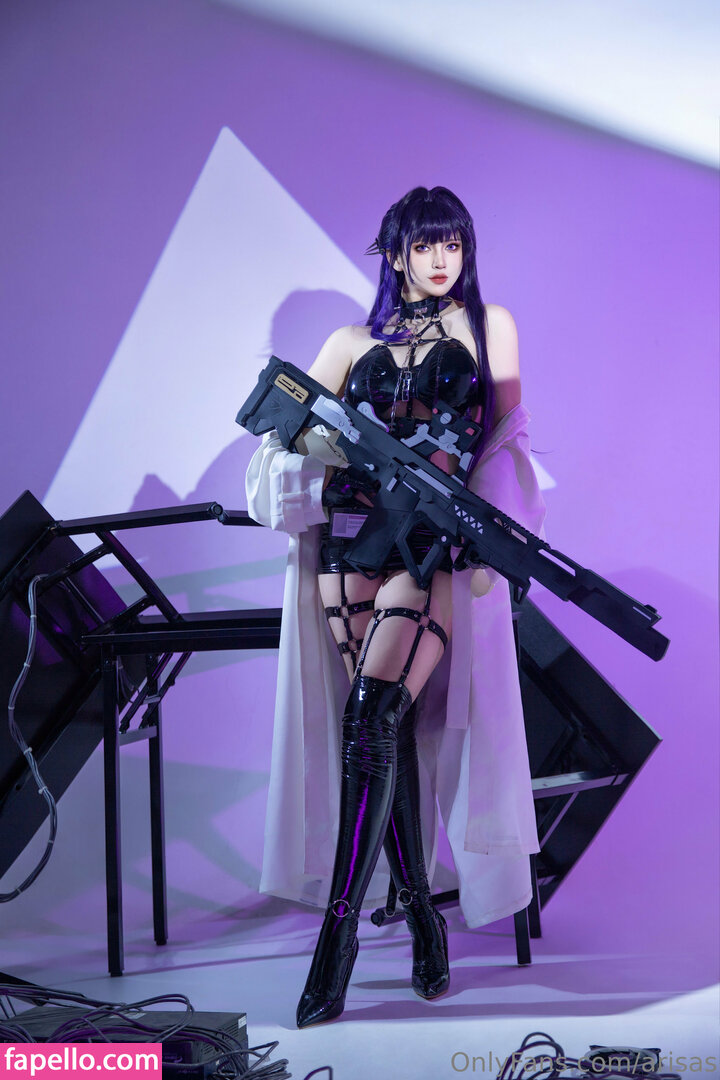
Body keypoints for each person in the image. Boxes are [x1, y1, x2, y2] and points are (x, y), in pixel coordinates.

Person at [245, 186, 546, 1028]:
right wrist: (327, 453)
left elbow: (506, 440)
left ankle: (337, 938)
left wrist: (492, 537)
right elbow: (283, 435)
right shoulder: (350, 342)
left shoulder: (488, 327)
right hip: (349, 543)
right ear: (394, 253)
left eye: (454, 243)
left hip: (432, 547)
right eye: (425, 245)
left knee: (372, 714)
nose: (442, 259)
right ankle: (419, 915)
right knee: (383, 730)